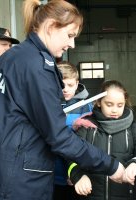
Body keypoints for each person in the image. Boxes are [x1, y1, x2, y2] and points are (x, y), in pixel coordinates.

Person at [0, 1, 124, 200]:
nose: (72, 44)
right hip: (15, 183)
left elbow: (14, 115)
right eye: (70, 35)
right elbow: (59, 138)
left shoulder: (11, 57)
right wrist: (111, 165)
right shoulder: (38, 67)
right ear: (50, 27)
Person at [68, 80, 136, 199]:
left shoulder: (135, 130)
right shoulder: (86, 126)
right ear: (99, 102)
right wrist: (78, 176)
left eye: (120, 105)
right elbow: (70, 156)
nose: (115, 110)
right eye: (109, 104)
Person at [53, 61, 93, 200]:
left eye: (70, 85)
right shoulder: (47, 101)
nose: (65, 89)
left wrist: (77, 173)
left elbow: (89, 137)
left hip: (76, 170)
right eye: (61, 84)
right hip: (51, 171)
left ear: (77, 83)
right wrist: (71, 121)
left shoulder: (86, 106)